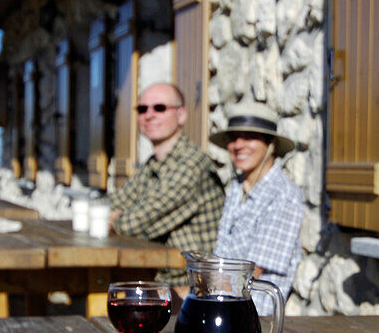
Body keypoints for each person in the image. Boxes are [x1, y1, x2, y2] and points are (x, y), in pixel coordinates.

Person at [108, 82, 223, 293]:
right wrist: (118, 215)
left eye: (159, 108)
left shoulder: (191, 165)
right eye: (142, 109)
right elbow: (113, 205)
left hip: (194, 287)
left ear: (181, 115)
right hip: (156, 275)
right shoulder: (153, 164)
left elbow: (132, 223)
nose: (149, 115)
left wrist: (120, 217)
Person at [210, 102, 304, 315]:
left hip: (251, 314)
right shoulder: (237, 186)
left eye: (250, 137)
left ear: (271, 145)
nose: (238, 144)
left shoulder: (283, 195)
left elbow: (251, 273)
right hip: (220, 300)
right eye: (233, 138)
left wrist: (200, 286)